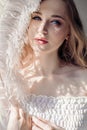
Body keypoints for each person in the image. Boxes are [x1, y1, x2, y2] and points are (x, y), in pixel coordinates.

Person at [0, 0, 87, 130]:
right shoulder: (5, 81)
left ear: (69, 31)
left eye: (55, 22)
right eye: (37, 17)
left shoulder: (84, 80)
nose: (42, 29)